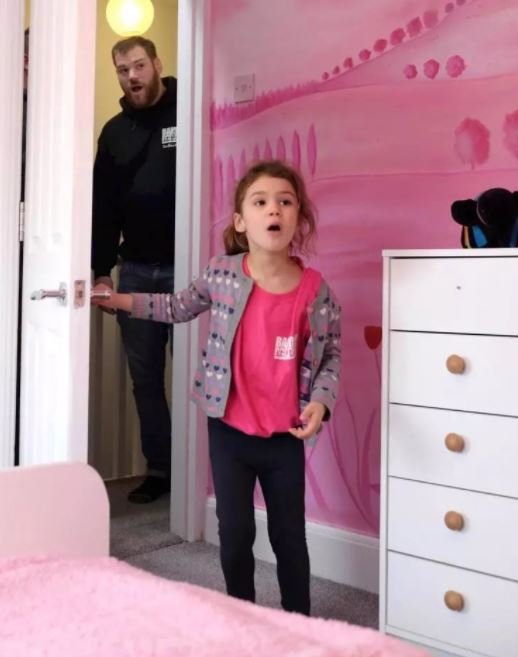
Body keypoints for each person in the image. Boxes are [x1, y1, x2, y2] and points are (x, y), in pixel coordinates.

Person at [92, 160, 342, 615]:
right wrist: (118, 299)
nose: (274, 209)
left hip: (285, 437)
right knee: (236, 532)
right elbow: (175, 307)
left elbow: (330, 356)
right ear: (241, 222)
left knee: (289, 535)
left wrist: (321, 403)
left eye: (285, 202)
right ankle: (240, 616)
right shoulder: (221, 275)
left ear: (298, 218)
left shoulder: (315, 291)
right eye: (261, 202)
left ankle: (300, 624)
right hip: (229, 432)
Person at [91, 36, 177, 503]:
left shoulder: (188, 111)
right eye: (123, 70)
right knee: (145, 379)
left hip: (187, 270)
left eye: (139, 66)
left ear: (156, 64)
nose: (132, 77)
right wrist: (102, 271)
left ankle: (200, 474)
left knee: (196, 373)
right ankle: (161, 470)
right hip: (138, 271)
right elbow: (103, 208)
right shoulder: (114, 133)